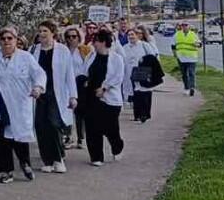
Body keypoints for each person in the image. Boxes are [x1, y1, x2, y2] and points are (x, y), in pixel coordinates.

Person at [0, 26, 45, 183]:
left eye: (10, 38)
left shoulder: (26, 58)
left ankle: (25, 163)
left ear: (16, 40)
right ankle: (7, 171)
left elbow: (39, 73)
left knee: (20, 136)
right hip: (1, 104)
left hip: (20, 102)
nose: (6, 41)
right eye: (3, 39)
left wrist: (38, 87)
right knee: (3, 138)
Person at [32, 21, 77, 173]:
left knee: (53, 124)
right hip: (39, 94)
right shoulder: (34, 50)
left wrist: (73, 96)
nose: (42, 34)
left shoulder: (62, 50)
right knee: (40, 125)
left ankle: (58, 158)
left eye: (45, 31)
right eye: (40, 31)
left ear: (53, 33)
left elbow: (69, 74)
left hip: (56, 93)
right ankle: (47, 160)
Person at [84, 29, 126, 167]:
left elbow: (118, 77)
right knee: (92, 127)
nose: (93, 44)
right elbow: (85, 71)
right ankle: (96, 157)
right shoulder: (91, 56)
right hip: (92, 97)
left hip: (109, 98)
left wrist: (104, 88)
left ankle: (117, 146)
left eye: (96, 41)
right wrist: (85, 82)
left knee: (110, 128)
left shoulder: (116, 58)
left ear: (103, 42)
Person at [123, 24, 160, 123]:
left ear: (137, 35)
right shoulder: (125, 47)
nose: (131, 37)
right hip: (131, 73)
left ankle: (145, 114)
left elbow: (152, 56)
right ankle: (137, 115)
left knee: (145, 93)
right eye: (129, 35)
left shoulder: (144, 45)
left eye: (132, 34)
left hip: (143, 72)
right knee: (136, 94)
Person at [66, 26, 94, 150]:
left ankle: (81, 137)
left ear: (79, 37)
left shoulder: (84, 49)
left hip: (81, 83)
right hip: (66, 84)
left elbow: (90, 65)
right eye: (68, 37)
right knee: (67, 110)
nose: (71, 39)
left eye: (74, 36)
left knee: (80, 112)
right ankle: (68, 136)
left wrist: (88, 80)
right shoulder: (63, 50)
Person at [173, 20, 202, 96]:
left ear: (189, 26)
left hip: (192, 57)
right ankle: (186, 88)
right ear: (181, 26)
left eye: (186, 25)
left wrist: (197, 44)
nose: (184, 27)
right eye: (183, 25)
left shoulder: (193, 34)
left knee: (191, 73)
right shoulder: (177, 34)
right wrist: (175, 54)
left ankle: (192, 87)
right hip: (181, 57)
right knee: (184, 74)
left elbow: (200, 44)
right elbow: (173, 45)